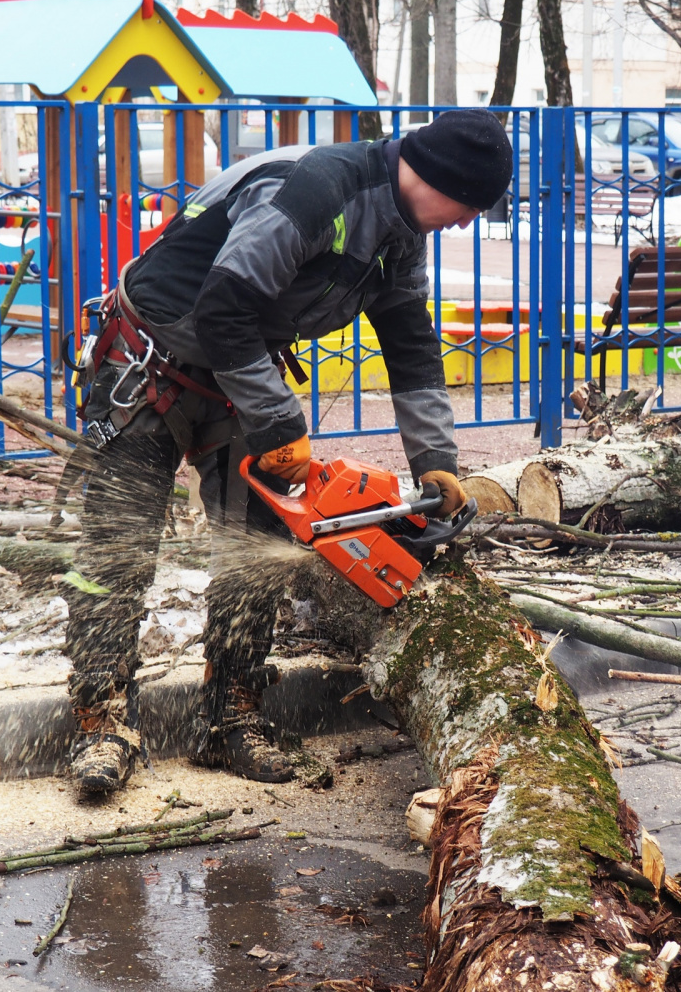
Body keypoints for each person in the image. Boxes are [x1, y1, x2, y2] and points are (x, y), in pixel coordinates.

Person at [60, 109, 514, 795]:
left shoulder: (401, 231)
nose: (465, 223)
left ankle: (230, 720)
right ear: (435, 177)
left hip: (237, 375)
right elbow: (225, 307)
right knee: (115, 552)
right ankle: (101, 725)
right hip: (149, 366)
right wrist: (279, 423)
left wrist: (435, 462)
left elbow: (410, 342)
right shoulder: (316, 189)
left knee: (256, 551)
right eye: (467, 206)